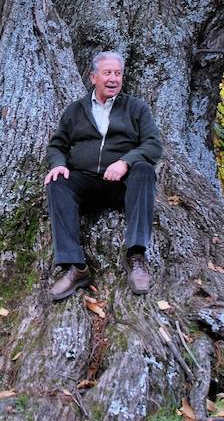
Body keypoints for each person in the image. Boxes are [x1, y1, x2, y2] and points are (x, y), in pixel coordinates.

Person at [44, 51, 163, 301]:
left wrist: (125, 161)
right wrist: (57, 164)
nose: (113, 79)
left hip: (122, 185)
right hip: (85, 182)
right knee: (57, 183)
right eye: (107, 73)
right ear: (93, 77)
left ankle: (136, 257)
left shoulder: (136, 108)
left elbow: (153, 146)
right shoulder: (75, 111)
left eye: (117, 73)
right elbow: (58, 145)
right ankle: (76, 268)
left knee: (144, 169)